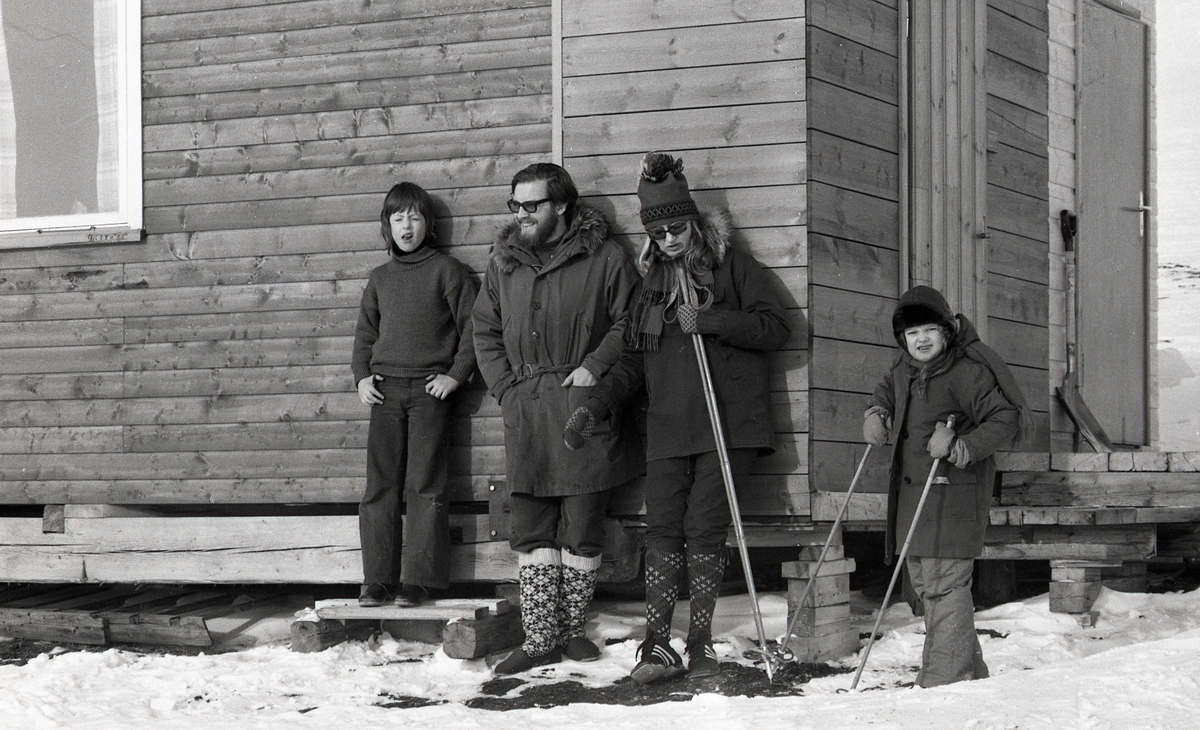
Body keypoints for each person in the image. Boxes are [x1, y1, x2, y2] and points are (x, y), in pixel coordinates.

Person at [563, 152, 792, 683]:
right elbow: (635, 362)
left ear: (693, 222)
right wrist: (596, 405)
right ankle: (657, 643)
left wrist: (712, 320)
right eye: (659, 232)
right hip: (669, 425)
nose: (669, 240)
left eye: (677, 228)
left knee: (704, 528)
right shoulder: (652, 287)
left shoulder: (733, 266)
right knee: (662, 528)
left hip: (726, 422)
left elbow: (774, 328)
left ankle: (702, 643)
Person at [472, 162, 642, 675]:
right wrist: (505, 388)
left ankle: (571, 632)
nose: (521, 214)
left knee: (583, 527)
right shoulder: (503, 264)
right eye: (515, 205)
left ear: (562, 206)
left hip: (582, 411)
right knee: (531, 528)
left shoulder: (605, 257)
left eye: (532, 205)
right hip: (527, 412)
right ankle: (539, 637)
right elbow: (485, 330)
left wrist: (594, 365)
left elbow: (631, 321)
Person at [862, 285, 1030, 687]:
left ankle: (944, 682)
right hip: (916, 500)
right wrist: (877, 410)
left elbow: (1006, 418)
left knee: (944, 586)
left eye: (929, 330)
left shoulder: (964, 371)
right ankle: (969, 672)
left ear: (946, 332)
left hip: (952, 496)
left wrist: (961, 445)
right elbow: (889, 388)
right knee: (929, 584)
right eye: (912, 332)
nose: (921, 339)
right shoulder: (904, 368)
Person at [351, 182, 479, 609]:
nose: (407, 225)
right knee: (380, 486)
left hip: (429, 393)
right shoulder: (380, 278)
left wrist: (456, 376)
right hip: (385, 392)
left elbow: (474, 329)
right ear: (387, 225)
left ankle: (418, 582)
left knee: (425, 484)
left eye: (415, 216)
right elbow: (366, 335)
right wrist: (361, 377)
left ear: (429, 223)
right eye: (398, 217)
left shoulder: (448, 271)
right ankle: (377, 581)